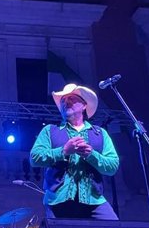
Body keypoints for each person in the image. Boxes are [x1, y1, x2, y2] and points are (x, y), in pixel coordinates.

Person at [30, 83, 119, 220]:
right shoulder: (50, 130)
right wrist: (63, 151)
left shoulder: (100, 133)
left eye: (71, 99)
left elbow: (112, 166)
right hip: (58, 200)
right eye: (63, 101)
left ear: (84, 105)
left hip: (93, 199)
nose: (66, 103)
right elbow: (35, 158)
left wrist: (91, 155)